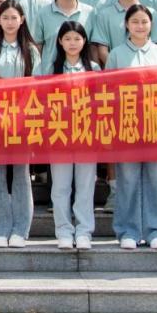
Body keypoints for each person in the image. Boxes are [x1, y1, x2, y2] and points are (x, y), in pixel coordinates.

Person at [106, 5, 157, 251]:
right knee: (128, 180)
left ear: (151, 24)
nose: (140, 26)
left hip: (156, 125)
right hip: (127, 124)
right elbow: (108, 90)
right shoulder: (116, 54)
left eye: (144, 22)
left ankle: (156, 231)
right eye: (135, 22)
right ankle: (128, 231)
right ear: (126, 24)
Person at [0, 0, 40, 248]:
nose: (10, 22)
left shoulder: (30, 50)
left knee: (21, 173)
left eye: (14, 17)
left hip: (23, 119)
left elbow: (36, 85)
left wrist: (20, 113)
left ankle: (21, 229)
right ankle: (0, 229)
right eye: (5, 18)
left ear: (22, 20)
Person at [49, 21, 100, 250]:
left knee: (85, 185)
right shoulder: (50, 67)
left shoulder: (93, 68)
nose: (72, 43)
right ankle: (63, 230)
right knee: (60, 187)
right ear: (60, 41)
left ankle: (84, 231)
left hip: (85, 133)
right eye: (67, 38)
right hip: (59, 133)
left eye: (77, 39)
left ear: (84, 41)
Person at [34, 0, 94, 73]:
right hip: (50, 76)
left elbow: (93, 48)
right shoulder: (43, 14)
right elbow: (37, 48)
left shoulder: (90, 13)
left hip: (82, 77)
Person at [90, 0, 152, 66]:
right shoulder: (104, 15)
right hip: (116, 71)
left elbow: (156, 47)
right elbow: (102, 50)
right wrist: (120, 71)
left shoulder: (151, 13)